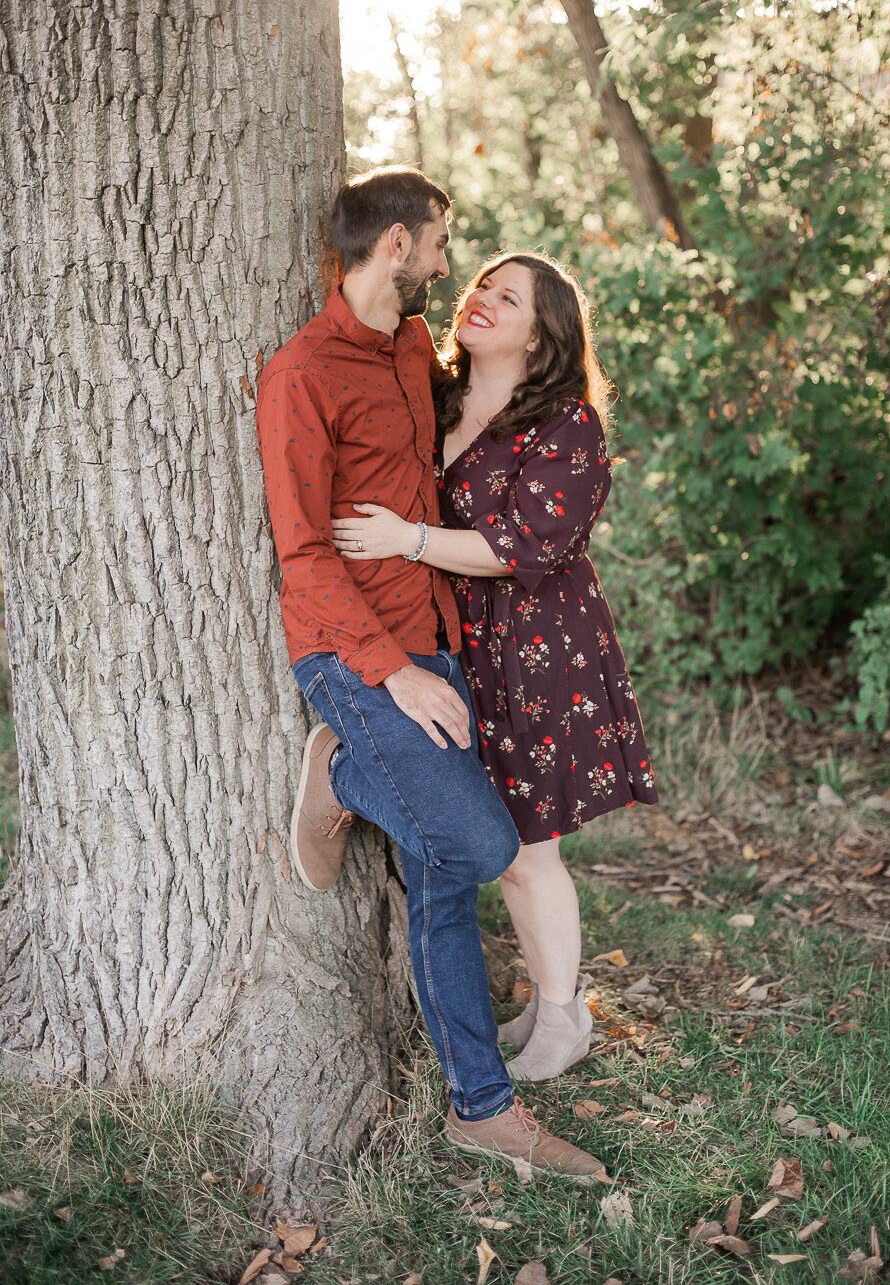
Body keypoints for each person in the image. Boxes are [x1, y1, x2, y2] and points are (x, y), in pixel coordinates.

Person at [256, 169, 604, 1176]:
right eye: (443, 243)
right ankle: (346, 774)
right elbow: (305, 554)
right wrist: (389, 673)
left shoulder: (414, 348)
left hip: (435, 641)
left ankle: (479, 1105)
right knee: (482, 837)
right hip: (350, 655)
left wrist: (435, 652)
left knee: (443, 873)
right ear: (398, 245)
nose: (451, 265)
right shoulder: (302, 375)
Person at [331, 250, 659, 1082]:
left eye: (505, 297)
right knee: (488, 832)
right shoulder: (433, 391)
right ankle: (544, 1003)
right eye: (480, 285)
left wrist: (406, 541)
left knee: (526, 848)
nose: (478, 300)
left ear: (543, 333)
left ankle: (562, 1017)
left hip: (533, 649)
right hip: (447, 639)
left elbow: (524, 546)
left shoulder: (565, 425)